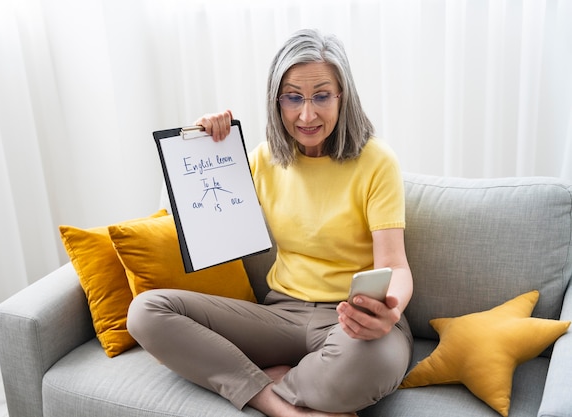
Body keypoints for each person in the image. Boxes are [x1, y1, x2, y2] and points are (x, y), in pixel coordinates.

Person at [127, 28, 413, 417]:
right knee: (146, 312)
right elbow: (205, 217)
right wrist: (200, 143)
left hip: (350, 319)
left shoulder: (377, 162)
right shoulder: (263, 159)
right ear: (277, 101)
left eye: (321, 96)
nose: (306, 114)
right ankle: (278, 402)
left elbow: (394, 265)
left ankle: (274, 380)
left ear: (343, 97)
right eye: (293, 97)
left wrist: (390, 314)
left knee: (373, 364)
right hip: (280, 315)